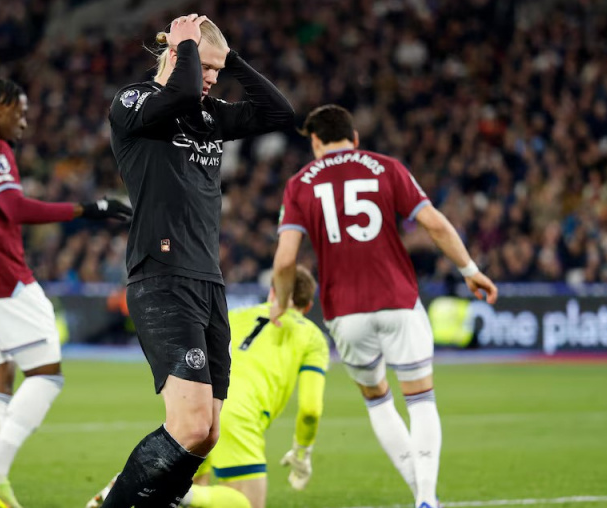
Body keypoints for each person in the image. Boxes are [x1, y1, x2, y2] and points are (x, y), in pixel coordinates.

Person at [88, 13, 294, 508]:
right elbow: (176, 94)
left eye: (217, 71)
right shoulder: (133, 102)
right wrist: (185, 50)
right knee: (189, 424)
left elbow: (279, 114)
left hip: (207, 281)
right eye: (206, 67)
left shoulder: (208, 114)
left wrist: (231, 58)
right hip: (162, 277)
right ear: (176, 55)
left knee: (208, 433)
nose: (212, 79)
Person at [271, 105, 499, 508]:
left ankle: (423, 495)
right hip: (397, 300)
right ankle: (425, 497)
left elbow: (286, 259)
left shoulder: (300, 183)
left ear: (315, 141)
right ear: (355, 138)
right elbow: (434, 224)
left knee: (378, 401)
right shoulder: (387, 168)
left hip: (344, 311)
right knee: (421, 399)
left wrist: (282, 303)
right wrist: (470, 270)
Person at [0, 78, 131, 508]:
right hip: (2, 279)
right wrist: (90, 209)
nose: (23, 124)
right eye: (20, 113)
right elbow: (14, 207)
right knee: (46, 375)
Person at [174, 265, 327, 508]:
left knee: (198, 489)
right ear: (308, 306)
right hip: (238, 416)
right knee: (248, 503)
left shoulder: (235, 315)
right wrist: (302, 451)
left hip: (195, 406)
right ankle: (167, 492)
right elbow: (310, 409)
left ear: (272, 292)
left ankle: (158, 490)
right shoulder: (312, 336)